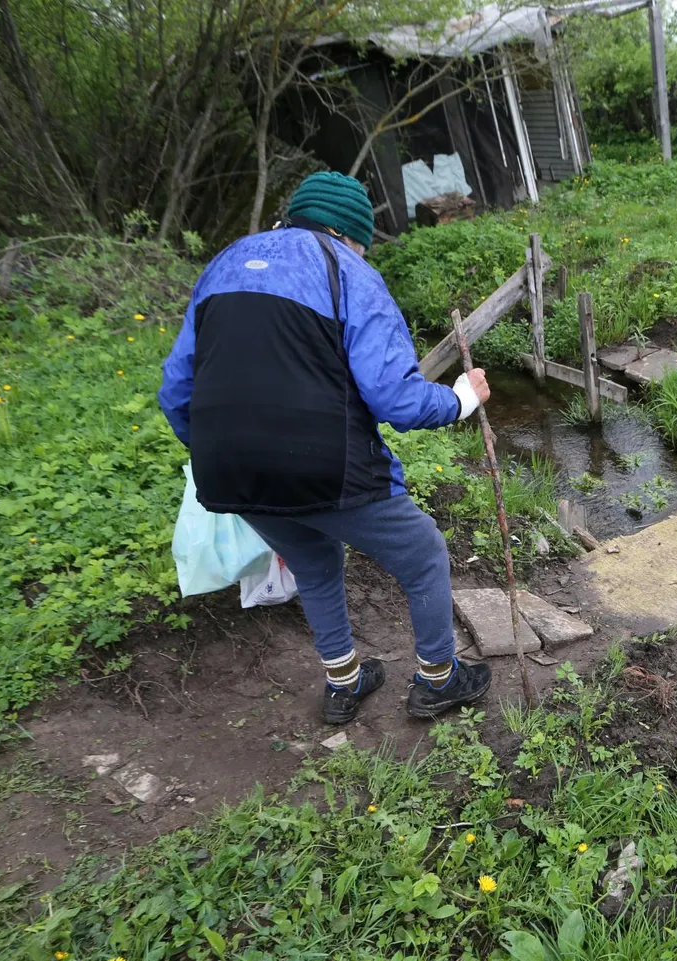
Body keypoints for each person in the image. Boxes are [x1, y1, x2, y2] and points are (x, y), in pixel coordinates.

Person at [159, 171, 493, 725]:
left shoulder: (223, 265)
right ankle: (439, 679)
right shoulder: (350, 272)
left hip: (227, 471)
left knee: (313, 562)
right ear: (352, 235)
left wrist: (224, 451)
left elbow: (176, 391)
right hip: (326, 466)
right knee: (423, 554)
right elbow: (396, 398)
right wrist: (458, 401)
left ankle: (344, 683)